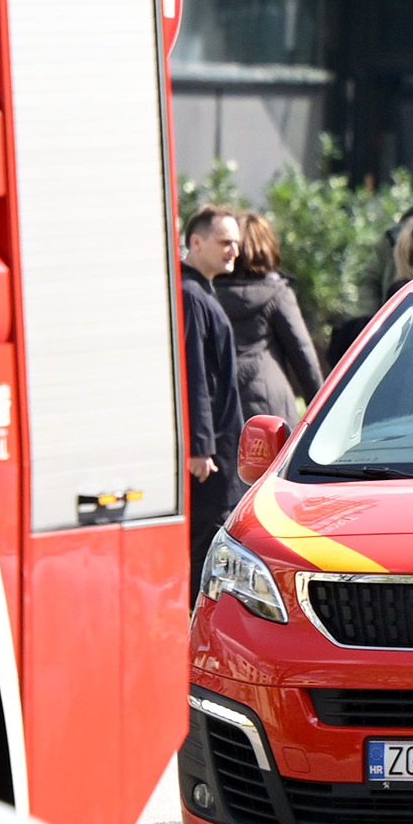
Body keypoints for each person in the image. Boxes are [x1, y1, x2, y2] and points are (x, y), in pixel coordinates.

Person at [216, 209, 325, 428]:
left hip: (221, 410)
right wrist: (322, 415)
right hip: (270, 411)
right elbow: (304, 357)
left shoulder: (207, 296)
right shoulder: (277, 294)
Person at [179, 205, 240, 585]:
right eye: (224, 242)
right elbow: (195, 375)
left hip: (218, 444)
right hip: (211, 452)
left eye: (236, 243)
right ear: (196, 242)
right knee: (208, 537)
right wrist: (200, 448)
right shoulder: (191, 295)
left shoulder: (199, 292)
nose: (234, 250)